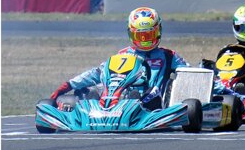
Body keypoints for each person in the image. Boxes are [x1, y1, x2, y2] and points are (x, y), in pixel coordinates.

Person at [48, 7, 192, 109]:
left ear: (158, 31)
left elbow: (191, 75)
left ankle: (134, 105)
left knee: (145, 96)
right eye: (139, 36)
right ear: (131, 34)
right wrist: (69, 85)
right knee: (91, 92)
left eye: (149, 35)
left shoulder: (168, 56)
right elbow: (98, 73)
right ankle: (97, 106)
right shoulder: (123, 54)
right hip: (122, 100)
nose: (144, 41)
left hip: (153, 104)